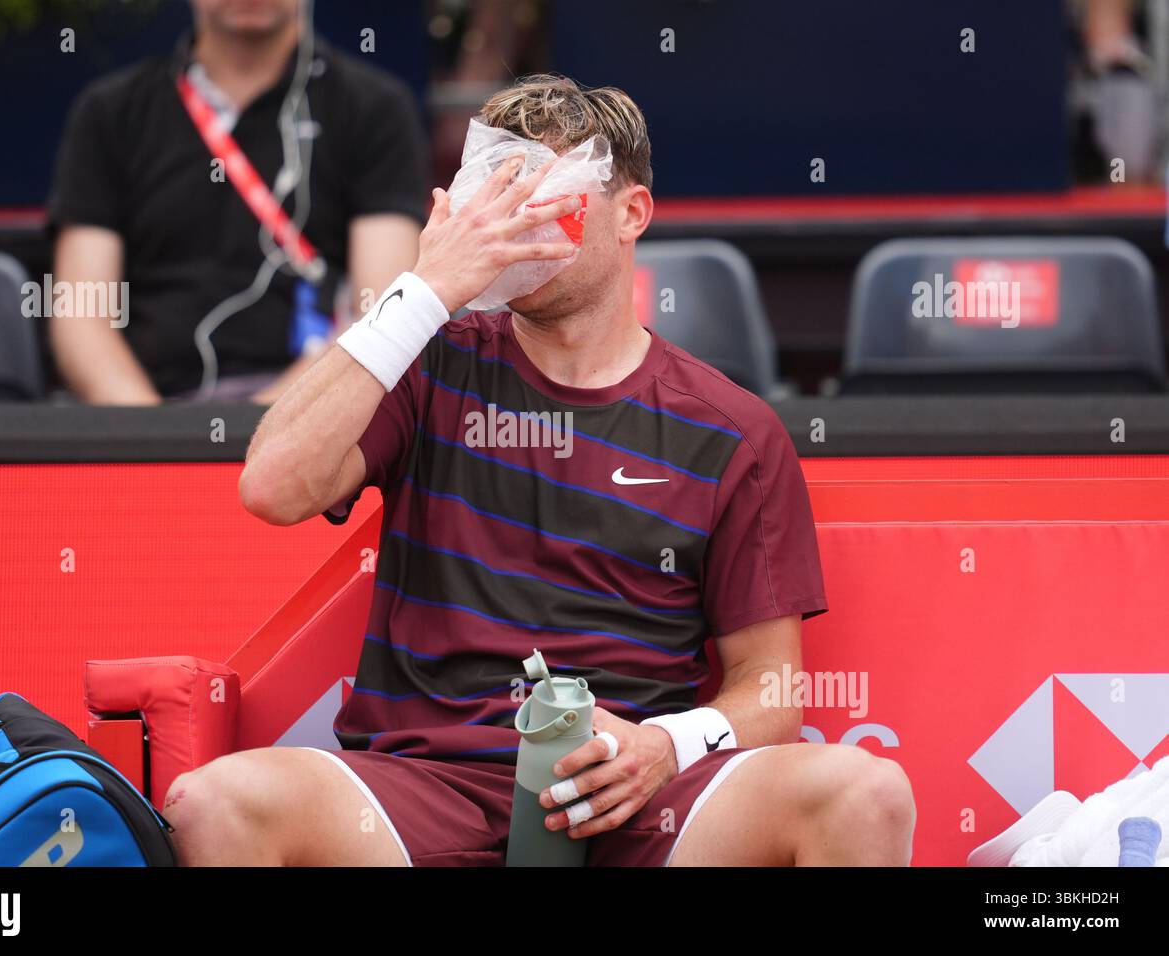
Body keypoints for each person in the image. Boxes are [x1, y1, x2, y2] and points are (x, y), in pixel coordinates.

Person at [166, 74, 917, 866]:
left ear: (630, 214)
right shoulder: (426, 364)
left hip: (635, 800)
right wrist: (426, 289)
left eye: (548, 194)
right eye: (500, 192)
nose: (518, 221)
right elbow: (272, 485)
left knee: (863, 792)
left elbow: (772, 692)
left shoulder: (732, 430)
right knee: (212, 806)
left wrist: (665, 746)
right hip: (425, 786)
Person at [46, 0, 427, 404]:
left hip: (312, 419)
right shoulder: (110, 112)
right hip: (145, 413)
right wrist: (153, 438)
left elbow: (383, 311)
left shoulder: (375, 108)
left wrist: (256, 434)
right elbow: (82, 314)